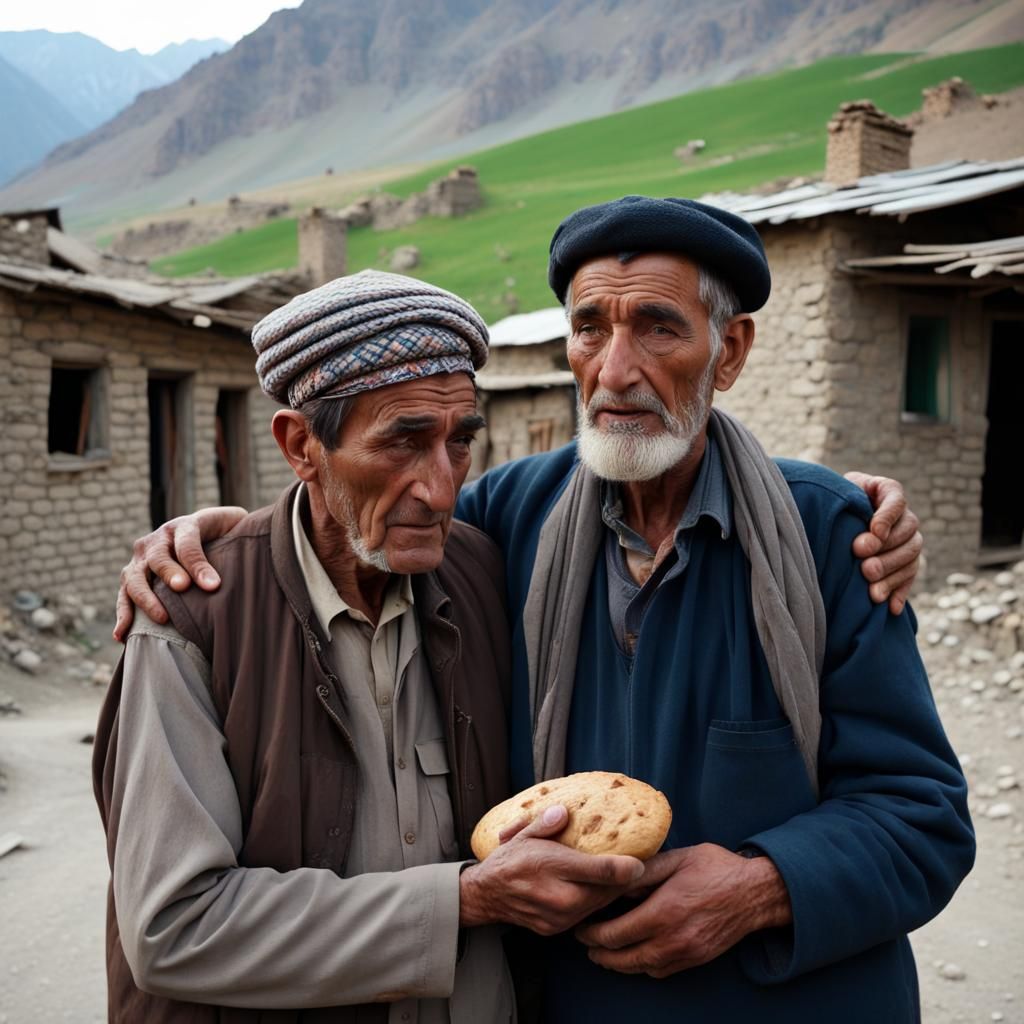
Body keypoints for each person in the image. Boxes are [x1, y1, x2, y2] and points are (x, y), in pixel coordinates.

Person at [116, 198, 965, 1022]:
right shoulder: (510, 519)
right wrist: (223, 538)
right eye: (591, 327)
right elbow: (354, 516)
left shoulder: (825, 537)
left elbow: (923, 819)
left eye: (658, 328)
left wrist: (759, 887)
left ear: (729, 350)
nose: (615, 370)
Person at [93, 270, 650, 1024]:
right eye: (402, 442)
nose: (441, 490)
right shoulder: (194, 617)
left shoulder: (484, 571)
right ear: (301, 446)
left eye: (460, 442)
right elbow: (174, 928)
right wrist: (464, 901)